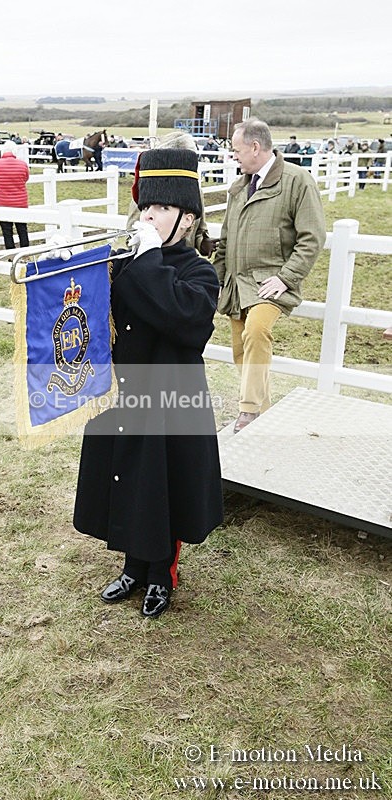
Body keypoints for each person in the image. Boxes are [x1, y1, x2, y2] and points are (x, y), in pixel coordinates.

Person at [74, 147, 224, 619]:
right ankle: (132, 566)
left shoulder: (198, 271)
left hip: (172, 397)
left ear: (187, 218)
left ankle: (162, 574)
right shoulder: (129, 261)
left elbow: (185, 320)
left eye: (161, 208)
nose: (149, 216)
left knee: (163, 486)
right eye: (146, 206)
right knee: (128, 479)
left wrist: (150, 257)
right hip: (126, 391)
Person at [213, 119, 326, 433]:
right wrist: (216, 280)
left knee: (256, 331)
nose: (233, 155)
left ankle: (248, 411)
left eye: (236, 150)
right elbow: (226, 241)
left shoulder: (297, 181)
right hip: (237, 283)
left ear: (255, 147)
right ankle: (261, 415)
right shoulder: (239, 187)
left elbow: (312, 237)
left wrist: (286, 277)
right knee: (240, 348)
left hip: (270, 283)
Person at [126, 131, 217, 258]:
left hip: (185, 261)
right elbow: (132, 232)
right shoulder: (147, 191)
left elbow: (198, 229)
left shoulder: (195, 190)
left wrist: (203, 243)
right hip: (154, 260)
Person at [0, 141, 30, 251]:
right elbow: (26, 178)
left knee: (7, 230)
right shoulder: (23, 164)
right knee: (22, 229)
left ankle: (11, 253)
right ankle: (25, 252)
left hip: (3, 202)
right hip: (21, 203)